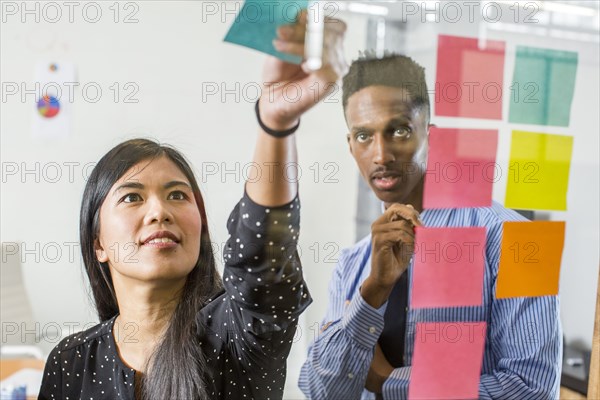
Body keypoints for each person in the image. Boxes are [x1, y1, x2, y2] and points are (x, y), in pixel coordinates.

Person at [38, 10, 347, 400]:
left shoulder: (237, 333)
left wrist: (275, 124)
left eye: (178, 195)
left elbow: (261, 254)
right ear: (97, 242)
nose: (159, 212)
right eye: (132, 197)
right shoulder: (71, 361)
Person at [298, 53, 562, 399]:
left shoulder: (518, 239)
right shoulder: (354, 264)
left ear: (430, 135)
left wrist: (389, 381)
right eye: (364, 136)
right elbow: (321, 390)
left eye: (399, 130)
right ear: (350, 146)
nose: (381, 154)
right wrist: (374, 289)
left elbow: (533, 390)